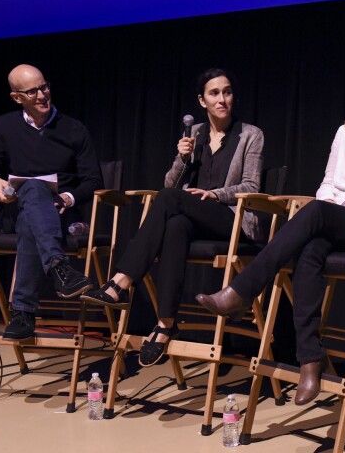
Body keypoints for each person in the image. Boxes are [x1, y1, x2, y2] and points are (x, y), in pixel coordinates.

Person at [195, 55, 345, 405]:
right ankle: (310, 361)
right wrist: (338, 205)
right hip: (342, 222)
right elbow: (327, 187)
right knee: (311, 249)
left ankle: (242, 290)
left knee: (314, 216)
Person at [81, 68, 265, 367]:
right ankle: (166, 323)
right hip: (195, 221)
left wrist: (216, 194)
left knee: (167, 200)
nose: (222, 99)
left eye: (227, 92)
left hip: (233, 221)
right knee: (176, 224)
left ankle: (121, 280)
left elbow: (251, 186)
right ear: (202, 101)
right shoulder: (195, 134)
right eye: (214, 93)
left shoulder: (250, 135)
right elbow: (171, 184)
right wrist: (181, 159)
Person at [0, 64, 103, 340]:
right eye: (32, 91)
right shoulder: (4, 126)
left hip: (63, 214)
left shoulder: (74, 129)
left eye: (44, 87)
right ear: (17, 97)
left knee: (34, 200)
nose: (42, 95)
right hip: (17, 210)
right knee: (33, 189)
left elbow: (93, 181)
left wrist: (68, 197)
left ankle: (23, 313)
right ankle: (58, 267)